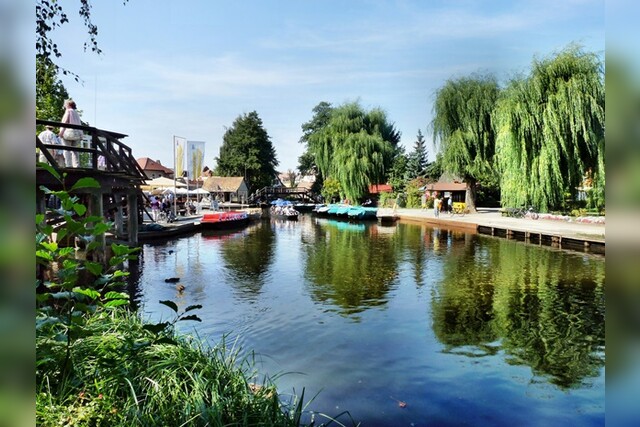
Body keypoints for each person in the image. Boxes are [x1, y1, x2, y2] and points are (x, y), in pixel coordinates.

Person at [59, 99, 83, 168]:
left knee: (67, 150)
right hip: (76, 133)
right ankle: (76, 165)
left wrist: (61, 132)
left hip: (68, 133)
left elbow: (65, 122)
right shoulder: (76, 113)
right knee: (75, 151)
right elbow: (79, 123)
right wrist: (81, 134)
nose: (64, 106)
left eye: (65, 104)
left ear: (68, 105)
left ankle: (68, 165)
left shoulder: (68, 111)